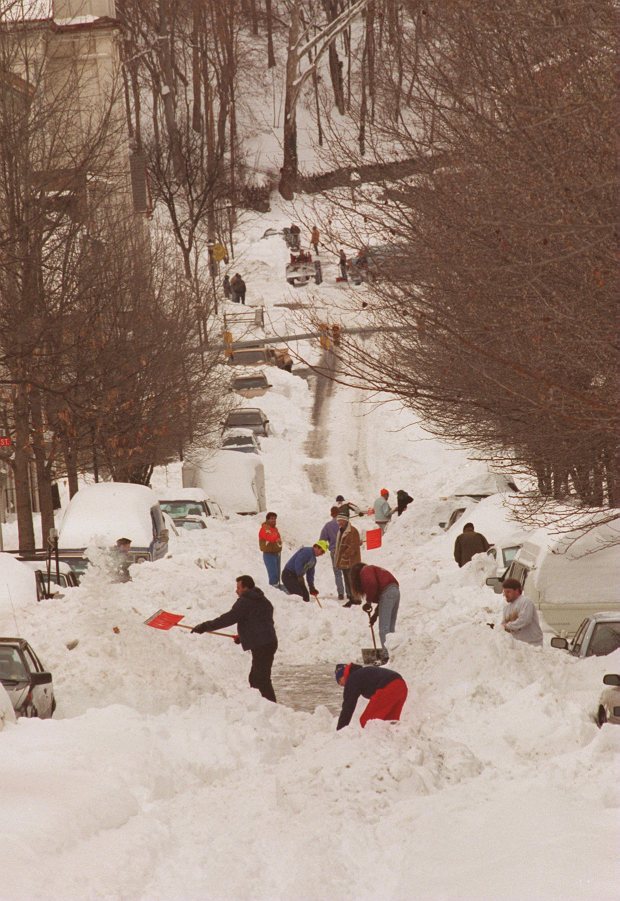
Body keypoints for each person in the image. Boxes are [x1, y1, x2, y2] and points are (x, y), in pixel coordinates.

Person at [191, 575, 278, 702]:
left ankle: (271, 709)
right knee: (256, 678)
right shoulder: (262, 599)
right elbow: (260, 621)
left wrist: (204, 626)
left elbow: (228, 619)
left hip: (262, 645)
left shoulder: (245, 601)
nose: (236, 590)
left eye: (238, 587)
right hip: (268, 642)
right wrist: (244, 637)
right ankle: (262, 707)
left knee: (260, 679)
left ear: (246, 588)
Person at [335, 663, 408, 730]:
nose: (341, 685)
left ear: (343, 675)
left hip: (388, 687)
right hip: (401, 686)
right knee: (388, 723)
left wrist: (340, 730)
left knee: (367, 722)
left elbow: (348, 706)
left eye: (339, 681)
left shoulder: (352, 678)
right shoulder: (361, 673)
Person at [350, 562, 400, 654]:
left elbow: (372, 584)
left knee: (384, 629)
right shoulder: (374, 570)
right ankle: (393, 654)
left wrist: (368, 602)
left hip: (388, 592)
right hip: (395, 591)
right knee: (390, 627)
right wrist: (375, 615)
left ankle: (386, 655)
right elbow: (383, 601)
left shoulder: (365, 570)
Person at [500, 578, 543, 647]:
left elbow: (525, 620)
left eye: (508, 592)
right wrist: (499, 627)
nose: (505, 595)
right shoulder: (507, 608)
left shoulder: (526, 602)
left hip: (532, 644)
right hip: (517, 645)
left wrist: (507, 626)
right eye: (504, 592)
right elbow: (503, 624)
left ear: (517, 591)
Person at [334, 508, 362, 607]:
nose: (338, 523)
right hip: (344, 562)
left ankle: (356, 599)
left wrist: (345, 555)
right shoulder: (341, 530)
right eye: (338, 521)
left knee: (352, 580)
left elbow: (353, 546)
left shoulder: (352, 531)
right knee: (347, 580)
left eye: (340, 520)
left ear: (345, 520)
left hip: (352, 561)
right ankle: (351, 597)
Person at [319, 506, 344, 600]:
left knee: (337, 573)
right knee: (347, 572)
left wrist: (325, 548)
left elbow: (322, 540)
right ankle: (350, 593)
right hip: (345, 550)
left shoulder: (328, 525)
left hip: (334, 551)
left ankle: (341, 593)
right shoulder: (344, 523)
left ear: (331, 514)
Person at [258, 512, 282, 587]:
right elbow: (270, 538)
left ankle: (277, 587)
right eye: (271, 518)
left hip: (276, 553)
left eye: (275, 519)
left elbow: (278, 539)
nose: (273, 520)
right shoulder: (264, 528)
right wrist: (276, 538)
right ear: (267, 519)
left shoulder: (275, 529)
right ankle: (274, 589)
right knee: (273, 573)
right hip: (269, 554)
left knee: (277, 573)